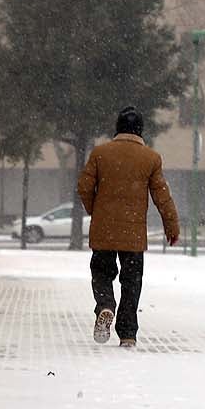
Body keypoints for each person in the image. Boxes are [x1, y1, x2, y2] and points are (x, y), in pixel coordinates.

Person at [76, 107, 181, 348]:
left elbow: (83, 186)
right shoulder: (150, 158)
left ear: (117, 128)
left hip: (103, 231)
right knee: (131, 281)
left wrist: (96, 210)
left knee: (102, 273)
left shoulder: (100, 153)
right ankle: (127, 334)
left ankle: (105, 306)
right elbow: (161, 196)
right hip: (133, 234)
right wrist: (171, 226)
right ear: (140, 130)